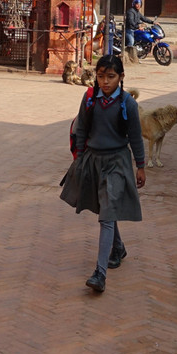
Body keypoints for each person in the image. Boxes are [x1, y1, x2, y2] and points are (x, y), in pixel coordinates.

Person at [59, 54, 146, 293]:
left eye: (111, 76)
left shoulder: (128, 104)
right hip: (93, 160)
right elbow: (82, 129)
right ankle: (117, 248)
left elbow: (136, 137)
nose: (105, 82)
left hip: (117, 162)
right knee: (106, 208)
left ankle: (100, 273)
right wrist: (79, 159)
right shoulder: (89, 99)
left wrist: (141, 165)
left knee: (106, 217)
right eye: (101, 76)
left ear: (121, 77)